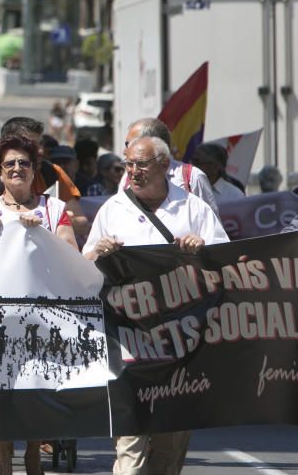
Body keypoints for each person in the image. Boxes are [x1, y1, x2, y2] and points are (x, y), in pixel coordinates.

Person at [84, 136, 229, 475]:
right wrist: (98, 253)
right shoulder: (113, 210)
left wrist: (202, 249)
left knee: (167, 457)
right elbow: (84, 267)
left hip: (180, 347)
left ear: (165, 166)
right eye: (128, 164)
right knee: (130, 457)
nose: (133, 171)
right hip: (128, 345)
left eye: (141, 165)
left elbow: (224, 265)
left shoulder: (194, 209)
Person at [0, 135, 76, 475]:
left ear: (35, 171)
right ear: (0, 173)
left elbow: (71, 255)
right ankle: (4, 467)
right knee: (0, 397)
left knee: (36, 393)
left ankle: (33, 454)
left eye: (24, 163)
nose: (17, 168)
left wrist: (42, 231)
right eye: (10, 164)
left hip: (42, 318)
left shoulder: (53, 209)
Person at [0, 117, 87, 234]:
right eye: (33, 145)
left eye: (41, 144)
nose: (41, 150)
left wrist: (58, 220)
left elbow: (82, 223)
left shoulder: (53, 172)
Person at [120, 118, 218, 214]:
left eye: (130, 144)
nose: (125, 151)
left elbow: (211, 225)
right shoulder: (127, 177)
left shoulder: (192, 177)